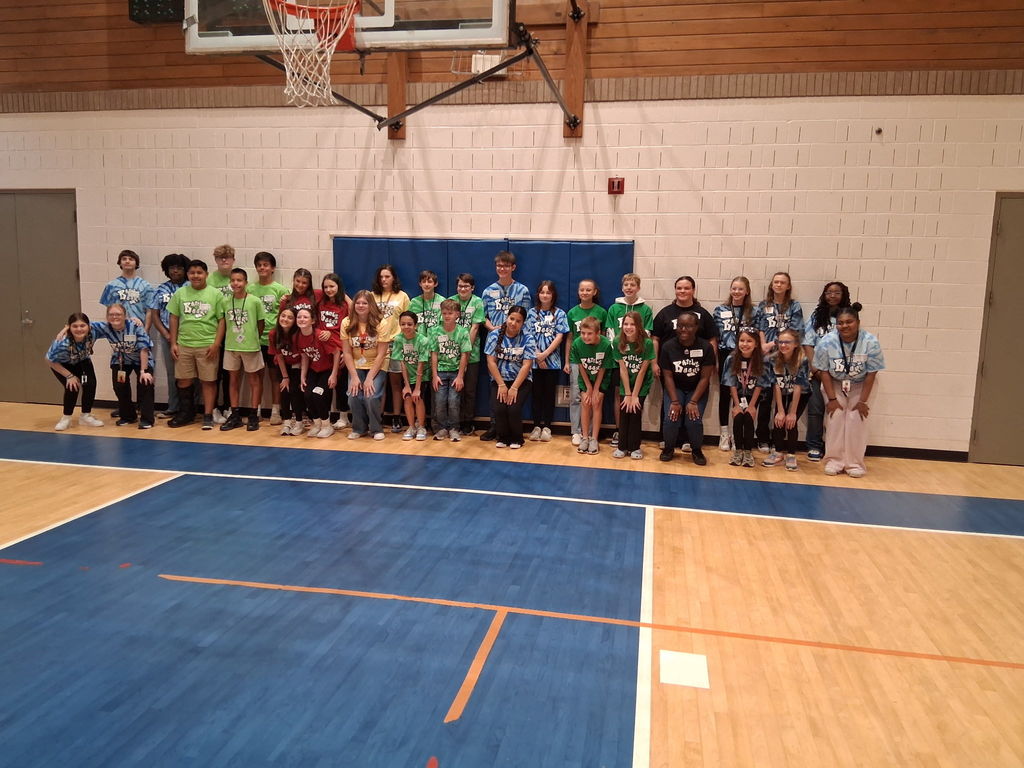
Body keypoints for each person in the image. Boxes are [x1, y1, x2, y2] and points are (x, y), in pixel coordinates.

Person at [813, 304, 885, 478]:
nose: (845, 326)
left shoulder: (870, 342)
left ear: (858, 322)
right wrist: (831, 399)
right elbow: (823, 371)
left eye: (849, 322)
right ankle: (834, 460)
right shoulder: (827, 342)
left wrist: (862, 401)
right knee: (835, 419)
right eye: (841, 323)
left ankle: (854, 463)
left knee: (856, 420)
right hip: (835, 383)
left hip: (861, 384)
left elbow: (871, 373)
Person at [651, 275, 719, 453]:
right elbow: (655, 338)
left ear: (693, 290)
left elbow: (712, 339)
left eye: (686, 288)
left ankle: (689, 442)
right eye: (679, 288)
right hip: (670, 366)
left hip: (696, 368)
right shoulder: (665, 313)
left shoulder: (702, 314)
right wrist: (654, 362)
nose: (682, 291)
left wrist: (713, 363)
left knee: (691, 411)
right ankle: (669, 442)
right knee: (672, 406)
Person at [167, 259, 226, 430]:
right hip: (184, 344)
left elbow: (222, 321)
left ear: (206, 274)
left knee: (208, 381)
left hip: (207, 345)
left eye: (199, 272)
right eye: (192, 273)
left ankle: (207, 415)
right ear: (188, 275)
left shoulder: (216, 294)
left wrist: (216, 344)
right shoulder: (180, 293)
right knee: (183, 380)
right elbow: (174, 317)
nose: (196, 276)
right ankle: (186, 413)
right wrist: (173, 343)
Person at [480, 251, 531, 441]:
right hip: (495, 340)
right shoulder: (487, 291)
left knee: (513, 391)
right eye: (499, 266)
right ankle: (495, 426)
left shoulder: (522, 291)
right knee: (495, 384)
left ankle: (511, 430)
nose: (502, 269)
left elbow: (525, 316)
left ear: (513, 267)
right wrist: (493, 329)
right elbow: (482, 316)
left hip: (515, 341)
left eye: (505, 266)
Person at [802, 281, 852, 462]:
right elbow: (808, 343)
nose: (832, 295)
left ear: (843, 294)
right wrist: (815, 368)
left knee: (838, 411)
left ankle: (835, 447)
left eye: (836, 292)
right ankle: (814, 445)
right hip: (818, 372)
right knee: (816, 410)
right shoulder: (817, 317)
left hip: (840, 374)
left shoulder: (848, 317)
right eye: (828, 292)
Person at [755, 271, 804, 451]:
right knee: (765, 398)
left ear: (788, 286)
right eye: (776, 282)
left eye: (783, 282)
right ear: (772, 285)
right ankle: (762, 438)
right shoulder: (763, 305)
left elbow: (797, 331)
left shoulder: (794, 306)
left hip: (786, 357)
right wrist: (762, 345)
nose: (779, 285)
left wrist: (775, 343)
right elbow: (759, 327)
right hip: (766, 357)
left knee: (784, 397)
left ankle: (780, 441)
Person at [341, 290, 398, 441]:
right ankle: (359, 428)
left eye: (364, 303)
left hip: (377, 364)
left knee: (371, 396)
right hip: (356, 365)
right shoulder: (346, 322)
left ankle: (376, 428)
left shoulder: (381, 323)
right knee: (353, 396)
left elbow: (381, 354)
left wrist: (369, 378)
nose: (360, 305)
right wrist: (353, 376)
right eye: (358, 303)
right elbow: (346, 352)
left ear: (370, 305)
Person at [605, 273, 654, 447]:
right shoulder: (614, 308)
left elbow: (647, 332)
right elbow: (610, 332)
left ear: (638, 287)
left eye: (632, 285)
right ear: (622, 287)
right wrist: (619, 349)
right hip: (619, 359)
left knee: (637, 396)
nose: (629, 287)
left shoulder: (645, 309)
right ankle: (620, 431)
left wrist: (635, 348)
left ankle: (633, 438)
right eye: (626, 284)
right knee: (620, 395)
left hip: (638, 358)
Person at [659, 312, 714, 466]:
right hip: (675, 388)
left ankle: (696, 450)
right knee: (671, 418)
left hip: (697, 389)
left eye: (689, 326)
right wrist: (675, 402)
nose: (684, 329)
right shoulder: (668, 346)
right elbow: (667, 376)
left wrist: (693, 401)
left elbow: (705, 378)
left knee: (693, 419)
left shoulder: (706, 347)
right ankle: (668, 448)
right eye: (680, 326)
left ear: (696, 327)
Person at [90, 303, 155, 429]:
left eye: (118, 314)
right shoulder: (105, 327)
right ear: (107, 317)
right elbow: (82, 324)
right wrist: (65, 329)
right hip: (121, 360)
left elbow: (144, 349)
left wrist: (143, 371)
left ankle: (147, 419)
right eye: (111, 314)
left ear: (125, 316)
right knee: (119, 386)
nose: (115, 317)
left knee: (145, 384)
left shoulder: (135, 326)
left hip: (141, 360)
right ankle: (128, 416)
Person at [219, 268, 266, 432]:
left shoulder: (254, 301)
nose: (235, 283)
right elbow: (223, 323)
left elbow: (261, 324)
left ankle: (253, 414)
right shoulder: (225, 301)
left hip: (250, 346)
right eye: (233, 280)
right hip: (231, 346)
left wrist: (253, 339)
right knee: (233, 381)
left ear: (246, 282)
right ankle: (235, 414)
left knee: (254, 380)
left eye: (239, 280)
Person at [484, 305, 536, 449]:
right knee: (499, 408)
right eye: (511, 319)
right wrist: (501, 385)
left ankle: (517, 438)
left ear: (523, 323)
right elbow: (491, 361)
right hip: (499, 379)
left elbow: (527, 365)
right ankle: (502, 437)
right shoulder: (494, 335)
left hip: (521, 380)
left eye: (518, 321)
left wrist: (513, 388)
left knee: (513, 408)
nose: (513, 323)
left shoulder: (528, 338)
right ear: (507, 318)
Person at [713, 277, 755, 454]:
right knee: (725, 394)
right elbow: (714, 337)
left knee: (745, 392)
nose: (736, 292)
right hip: (726, 354)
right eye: (734, 288)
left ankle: (741, 436)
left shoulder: (753, 311)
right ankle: (724, 433)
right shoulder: (720, 310)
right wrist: (716, 360)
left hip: (747, 355)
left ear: (747, 291)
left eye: (740, 289)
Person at [248, 251, 289, 426]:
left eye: (265, 265)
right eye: (259, 265)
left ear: (272, 268)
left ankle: (275, 411)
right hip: (254, 340)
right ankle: (255, 411)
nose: (262, 267)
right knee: (256, 377)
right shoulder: (250, 289)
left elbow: (286, 316)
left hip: (273, 340)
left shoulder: (280, 290)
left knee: (275, 377)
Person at [564, 279, 606, 447]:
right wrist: (567, 360)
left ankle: (589, 433)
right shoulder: (572, 312)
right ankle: (576, 431)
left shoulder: (601, 312)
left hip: (596, 360)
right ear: (578, 292)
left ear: (595, 292)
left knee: (593, 397)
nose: (585, 292)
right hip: (577, 359)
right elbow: (569, 339)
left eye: (588, 290)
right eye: (582, 289)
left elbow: (602, 337)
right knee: (576, 395)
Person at [762, 328, 811, 471]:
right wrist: (781, 410)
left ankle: (791, 454)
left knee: (791, 421)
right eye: (780, 342)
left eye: (787, 342)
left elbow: (798, 387)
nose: (783, 345)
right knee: (779, 420)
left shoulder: (803, 359)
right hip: (782, 392)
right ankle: (777, 452)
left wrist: (792, 412)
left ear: (796, 344)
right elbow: (776, 385)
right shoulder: (773, 358)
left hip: (800, 394)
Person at [45, 312, 103, 431]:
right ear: (70, 328)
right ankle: (66, 418)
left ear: (89, 326)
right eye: (74, 326)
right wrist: (69, 376)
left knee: (89, 384)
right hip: (62, 365)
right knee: (72, 387)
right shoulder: (62, 342)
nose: (79, 329)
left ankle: (85, 416)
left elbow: (113, 323)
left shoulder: (94, 331)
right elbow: (49, 360)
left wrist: (133, 320)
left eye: (82, 326)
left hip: (82, 361)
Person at [526, 280, 569, 442]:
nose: (545, 295)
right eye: (542, 292)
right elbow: (528, 335)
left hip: (552, 362)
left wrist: (545, 354)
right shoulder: (531, 313)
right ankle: (536, 426)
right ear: (538, 295)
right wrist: (538, 355)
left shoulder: (559, 314)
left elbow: (560, 336)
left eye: (548, 292)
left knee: (549, 395)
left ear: (553, 295)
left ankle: (547, 427)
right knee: (536, 395)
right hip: (534, 362)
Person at [148, 253, 189, 419]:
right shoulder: (160, 289)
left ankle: (191, 407)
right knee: (172, 374)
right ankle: (173, 406)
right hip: (167, 337)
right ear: (167, 270)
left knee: (189, 374)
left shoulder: (190, 287)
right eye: (172, 268)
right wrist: (166, 334)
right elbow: (155, 314)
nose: (176, 271)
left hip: (188, 337)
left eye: (179, 267)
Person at [372, 264, 411, 432]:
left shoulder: (402, 296)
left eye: (387, 276)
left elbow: (408, 321)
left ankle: (396, 417)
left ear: (393, 278)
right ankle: (377, 417)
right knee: (378, 383)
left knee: (396, 384)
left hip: (396, 344)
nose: (384, 280)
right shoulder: (372, 296)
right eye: (381, 277)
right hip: (376, 344)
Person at [722, 328, 769, 468]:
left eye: (749, 341)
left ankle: (748, 452)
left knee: (749, 419)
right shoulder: (731, 358)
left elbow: (760, 384)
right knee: (737, 419)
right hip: (738, 395)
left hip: (753, 396)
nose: (745, 344)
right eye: (742, 340)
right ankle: (738, 451)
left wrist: (752, 406)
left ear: (756, 344)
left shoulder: (762, 360)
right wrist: (736, 405)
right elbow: (731, 383)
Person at [612, 311, 654, 460]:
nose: (628, 327)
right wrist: (628, 394)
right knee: (624, 410)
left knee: (635, 411)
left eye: (632, 324)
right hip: (626, 383)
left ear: (638, 326)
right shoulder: (617, 341)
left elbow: (643, 370)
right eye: (625, 324)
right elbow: (622, 369)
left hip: (641, 384)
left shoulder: (647, 343)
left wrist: (635, 395)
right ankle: (622, 446)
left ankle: (635, 447)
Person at [570, 316, 614, 456]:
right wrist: (588, 387)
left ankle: (594, 438)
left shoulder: (606, 344)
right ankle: (585, 437)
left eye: (589, 333)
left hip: (601, 379)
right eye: (583, 333)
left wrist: (595, 389)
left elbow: (603, 369)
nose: (585, 336)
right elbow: (581, 366)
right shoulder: (577, 344)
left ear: (598, 333)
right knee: (585, 402)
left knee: (596, 402)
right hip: (586, 378)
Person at [295, 306, 340, 439]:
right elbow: (304, 356)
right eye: (299, 317)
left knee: (317, 395)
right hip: (313, 370)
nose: (302, 319)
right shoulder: (298, 337)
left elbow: (337, 352)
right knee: (307, 395)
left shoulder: (320, 335)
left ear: (313, 320)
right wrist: (302, 376)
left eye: (305, 317)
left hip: (327, 370)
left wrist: (334, 374)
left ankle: (327, 425)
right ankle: (317, 423)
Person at [430, 299, 472, 441]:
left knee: (454, 401)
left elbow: (464, 354)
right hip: (440, 372)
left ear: (457, 315)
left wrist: (460, 376)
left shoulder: (462, 332)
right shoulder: (435, 331)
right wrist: (434, 375)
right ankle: (442, 428)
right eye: (444, 313)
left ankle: (454, 428)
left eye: (450, 313)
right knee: (439, 401)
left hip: (455, 372)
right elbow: (434, 353)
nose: (447, 316)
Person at [451, 273, 486, 436]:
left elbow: (475, 328)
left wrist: (466, 349)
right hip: (451, 353)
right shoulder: (451, 301)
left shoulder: (478, 302)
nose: (462, 289)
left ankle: (468, 421)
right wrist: (456, 350)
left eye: (466, 286)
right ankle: (454, 422)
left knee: (470, 390)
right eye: (460, 286)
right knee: (455, 390)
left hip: (471, 354)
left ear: (472, 288)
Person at [316, 273, 351, 430]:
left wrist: (346, 351)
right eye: (326, 287)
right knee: (327, 383)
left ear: (339, 287)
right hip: (324, 349)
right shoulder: (320, 302)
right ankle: (327, 415)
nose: (329, 289)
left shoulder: (344, 305)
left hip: (340, 348)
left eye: (332, 286)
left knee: (341, 384)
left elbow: (352, 328)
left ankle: (344, 416)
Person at [391, 311, 431, 441]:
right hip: (407, 375)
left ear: (415, 325)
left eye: (409, 324)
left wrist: (417, 387)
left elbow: (421, 365)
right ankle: (411, 426)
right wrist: (407, 385)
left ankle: (421, 427)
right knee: (407, 397)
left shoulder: (423, 340)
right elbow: (402, 363)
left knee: (417, 398)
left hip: (421, 376)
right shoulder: (398, 339)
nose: (406, 327)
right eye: (403, 324)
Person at [269, 307, 305, 436]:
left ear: (295, 321)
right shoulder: (274, 334)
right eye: (283, 316)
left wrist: (302, 375)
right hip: (284, 365)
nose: (285, 319)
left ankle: (299, 422)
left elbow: (304, 357)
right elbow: (279, 356)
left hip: (298, 364)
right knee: (284, 390)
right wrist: (285, 377)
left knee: (295, 391)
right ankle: (287, 422)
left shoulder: (298, 335)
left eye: (290, 317)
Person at [100, 249, 153, 329]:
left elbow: (149, 311)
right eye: (124, 259)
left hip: (139, 327)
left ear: (136, 263)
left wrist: (146, 330)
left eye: (131, 259)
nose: (127, 261)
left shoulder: (145, 286)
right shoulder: (111, 285)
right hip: (117, 328)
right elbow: (108, 309)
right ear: (120, 263)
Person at [409, 270, 444, 336]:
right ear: (420, 284)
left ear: (435, 284)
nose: (426, 284)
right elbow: (410, 323)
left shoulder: (442, 301)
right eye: (424, 281)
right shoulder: (414, 302)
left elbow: (444, 324)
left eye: (430, 282)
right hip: (419, 341)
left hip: (436, 341)